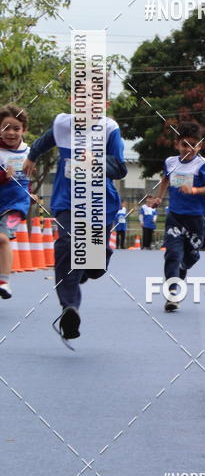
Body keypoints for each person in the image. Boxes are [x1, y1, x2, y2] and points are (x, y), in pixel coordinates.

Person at [23, 100, 127, 343]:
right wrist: (31, 156)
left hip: (100, 204)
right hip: (67, 201)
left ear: (106, 103)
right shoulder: (62, 123)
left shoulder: (110, 129)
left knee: (95, 263)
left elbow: (121, 168)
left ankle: (89, 265)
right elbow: (44, 141)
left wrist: (97, 161)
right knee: (67, 244)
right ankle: (70, 308)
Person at [152, 122, 205, 312]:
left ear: (200, 146)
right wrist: (159, 198)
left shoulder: (202, 165)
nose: (188, 149)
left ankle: (183, 266)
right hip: (175, 217)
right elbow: (165, 180)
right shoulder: (170, 162)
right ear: (177, 144)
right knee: (172, 254)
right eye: (184, 144)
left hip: (196, 219)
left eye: (193, 145)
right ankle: (172, 293)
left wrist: (194, 189)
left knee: (189, 258)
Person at [0, 105, 32, 300]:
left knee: (3, 238)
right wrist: (4, 177)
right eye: (5, 127)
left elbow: (25, 179)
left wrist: (29, 193)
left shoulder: (29, 152)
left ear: (24, 130)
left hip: (16, 207)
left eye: (16, 128)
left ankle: (4, 282)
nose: (11, 132)